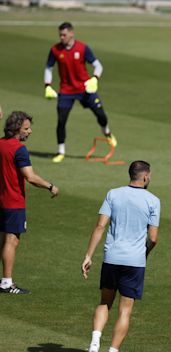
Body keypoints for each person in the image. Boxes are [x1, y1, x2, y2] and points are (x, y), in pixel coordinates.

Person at [81, 160, 160, 352]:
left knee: (104, 303)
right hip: (134, 262)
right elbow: (153, 238)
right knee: (124, 311)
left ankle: (94, 343)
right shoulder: (153, 200)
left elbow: (100, 226)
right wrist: (144, 254)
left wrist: (88, 256)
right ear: (145, 177)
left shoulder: (113, 194)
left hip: (111, 258)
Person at [0, 111, 59, 294]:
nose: (30, 131)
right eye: (26, 128)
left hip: (1, 200)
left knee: (1, 240)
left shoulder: (0, 144)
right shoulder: (19, 150)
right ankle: (6, 283)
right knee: (12, 240)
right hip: (13, 201)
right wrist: (50, 186)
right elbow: (30, 177)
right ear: (17, 129)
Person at [44, 21, 117, 163]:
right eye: (60, 35)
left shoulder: (83, 48)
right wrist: (47, 85)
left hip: (85, 89)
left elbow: (98, 65)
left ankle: (107, 133)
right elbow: (48, 68)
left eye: (64, 34)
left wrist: (95, 79)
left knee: (101, 114)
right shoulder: (55, 50)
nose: (62, 37)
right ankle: (61, 152)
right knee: (61, 121)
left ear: (72, 33)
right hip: (66, 91)